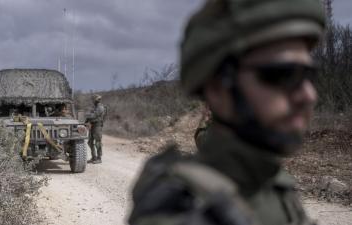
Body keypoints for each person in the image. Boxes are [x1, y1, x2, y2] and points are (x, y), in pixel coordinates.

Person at [129, 0, 325, 224]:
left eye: (309, 76)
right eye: (283, 75)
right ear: (217, 88)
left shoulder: (273, 184)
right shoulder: (182, 210)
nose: (309, 95)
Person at [86, 94, 106, 164]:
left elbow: (94, 115)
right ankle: (93, 157)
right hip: (93, 126)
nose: (93, 101)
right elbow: (90, 116)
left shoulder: (100, 107)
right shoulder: (95, 107)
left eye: (94, 99)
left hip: (97, 126)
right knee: (90, 142)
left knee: (98, 142)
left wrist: (87, 116)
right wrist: (86, 120)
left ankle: (99, 158)